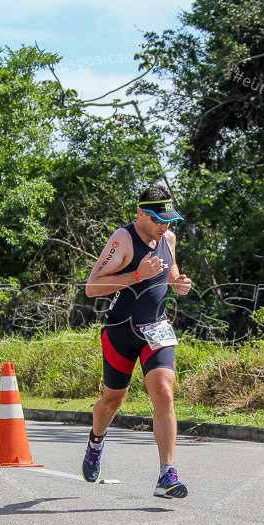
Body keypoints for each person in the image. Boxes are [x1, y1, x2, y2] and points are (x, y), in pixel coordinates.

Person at [83, 185, 194, 498]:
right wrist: (137, 275)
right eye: (159, 219)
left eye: (169, 220)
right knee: (112, 401)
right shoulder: (123, 239)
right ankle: (96, 441)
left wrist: (179, 282)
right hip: (120, 331)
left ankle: (166, 474)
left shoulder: (168, 239)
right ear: (141, 214)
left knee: (164, 391)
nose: (165, 226)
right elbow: (92, 286)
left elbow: (170, 272)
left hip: (156, 329)